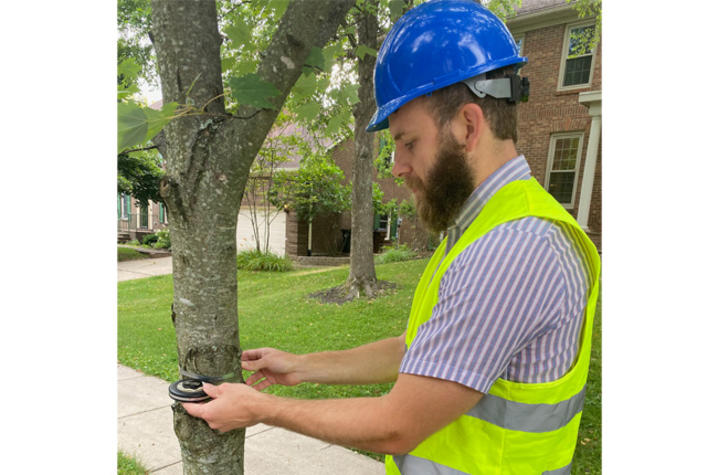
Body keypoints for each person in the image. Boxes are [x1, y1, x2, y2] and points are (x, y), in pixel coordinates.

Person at [184, 1, 601, 473]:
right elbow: (419, 350)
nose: (398, 166)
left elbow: (398, 423)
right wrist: (302, 366)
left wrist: (259, 409)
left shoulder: (513, 249)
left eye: (408, 142)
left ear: (468, 125)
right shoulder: (485, 227)